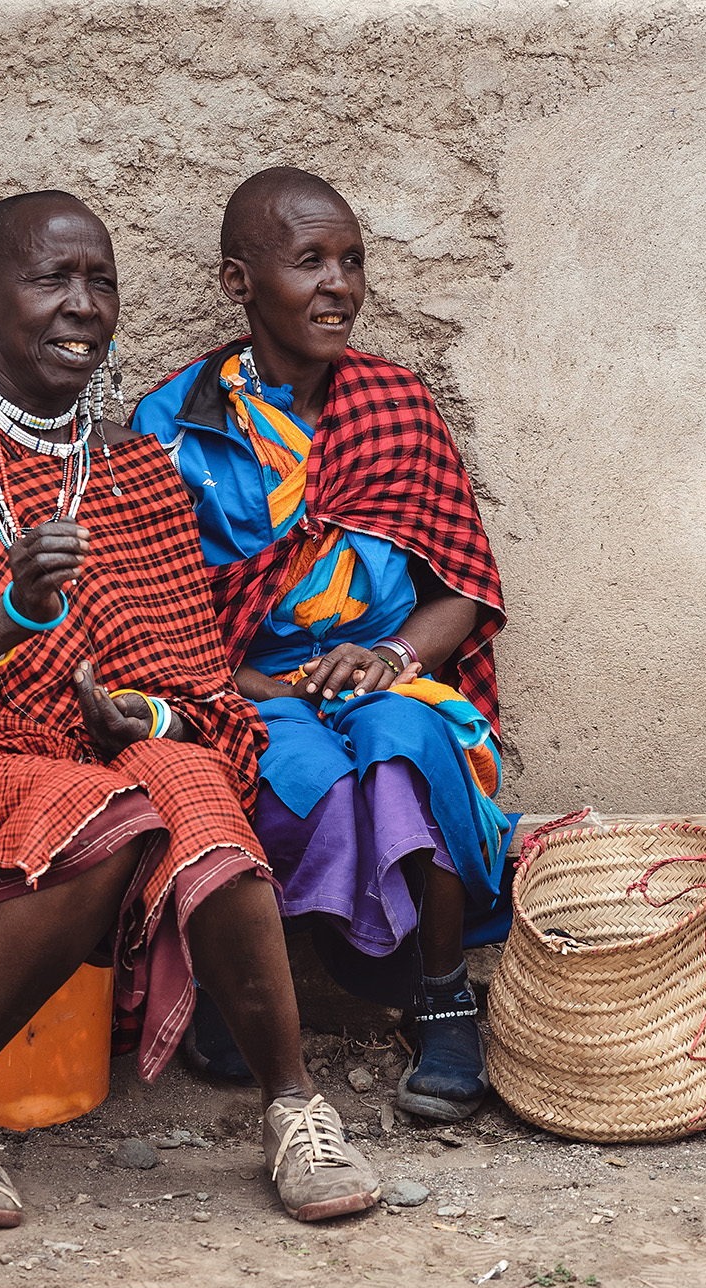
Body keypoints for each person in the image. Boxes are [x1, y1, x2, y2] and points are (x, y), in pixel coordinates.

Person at [0, 189, 379, 1227]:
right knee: (98, 812)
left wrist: (146, 718)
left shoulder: (138, 473)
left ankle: (294, 1105)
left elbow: (205, 701)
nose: (83, 304)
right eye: (53, 277)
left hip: (94, 765)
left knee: (179, 780)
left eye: (101, 282)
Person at [132, 168, 509, 1122]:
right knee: (294, 761)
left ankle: (441, 993)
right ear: (238, 282)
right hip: (240, 680)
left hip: (387, 675)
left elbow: (461, 585)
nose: (339, 284)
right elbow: (151, 613)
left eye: (352, 262)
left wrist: (391, 661)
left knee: (402, 741)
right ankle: (247, 985)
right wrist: (253, 679)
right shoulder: (173, 426)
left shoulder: (396, 406)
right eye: (310, 261)